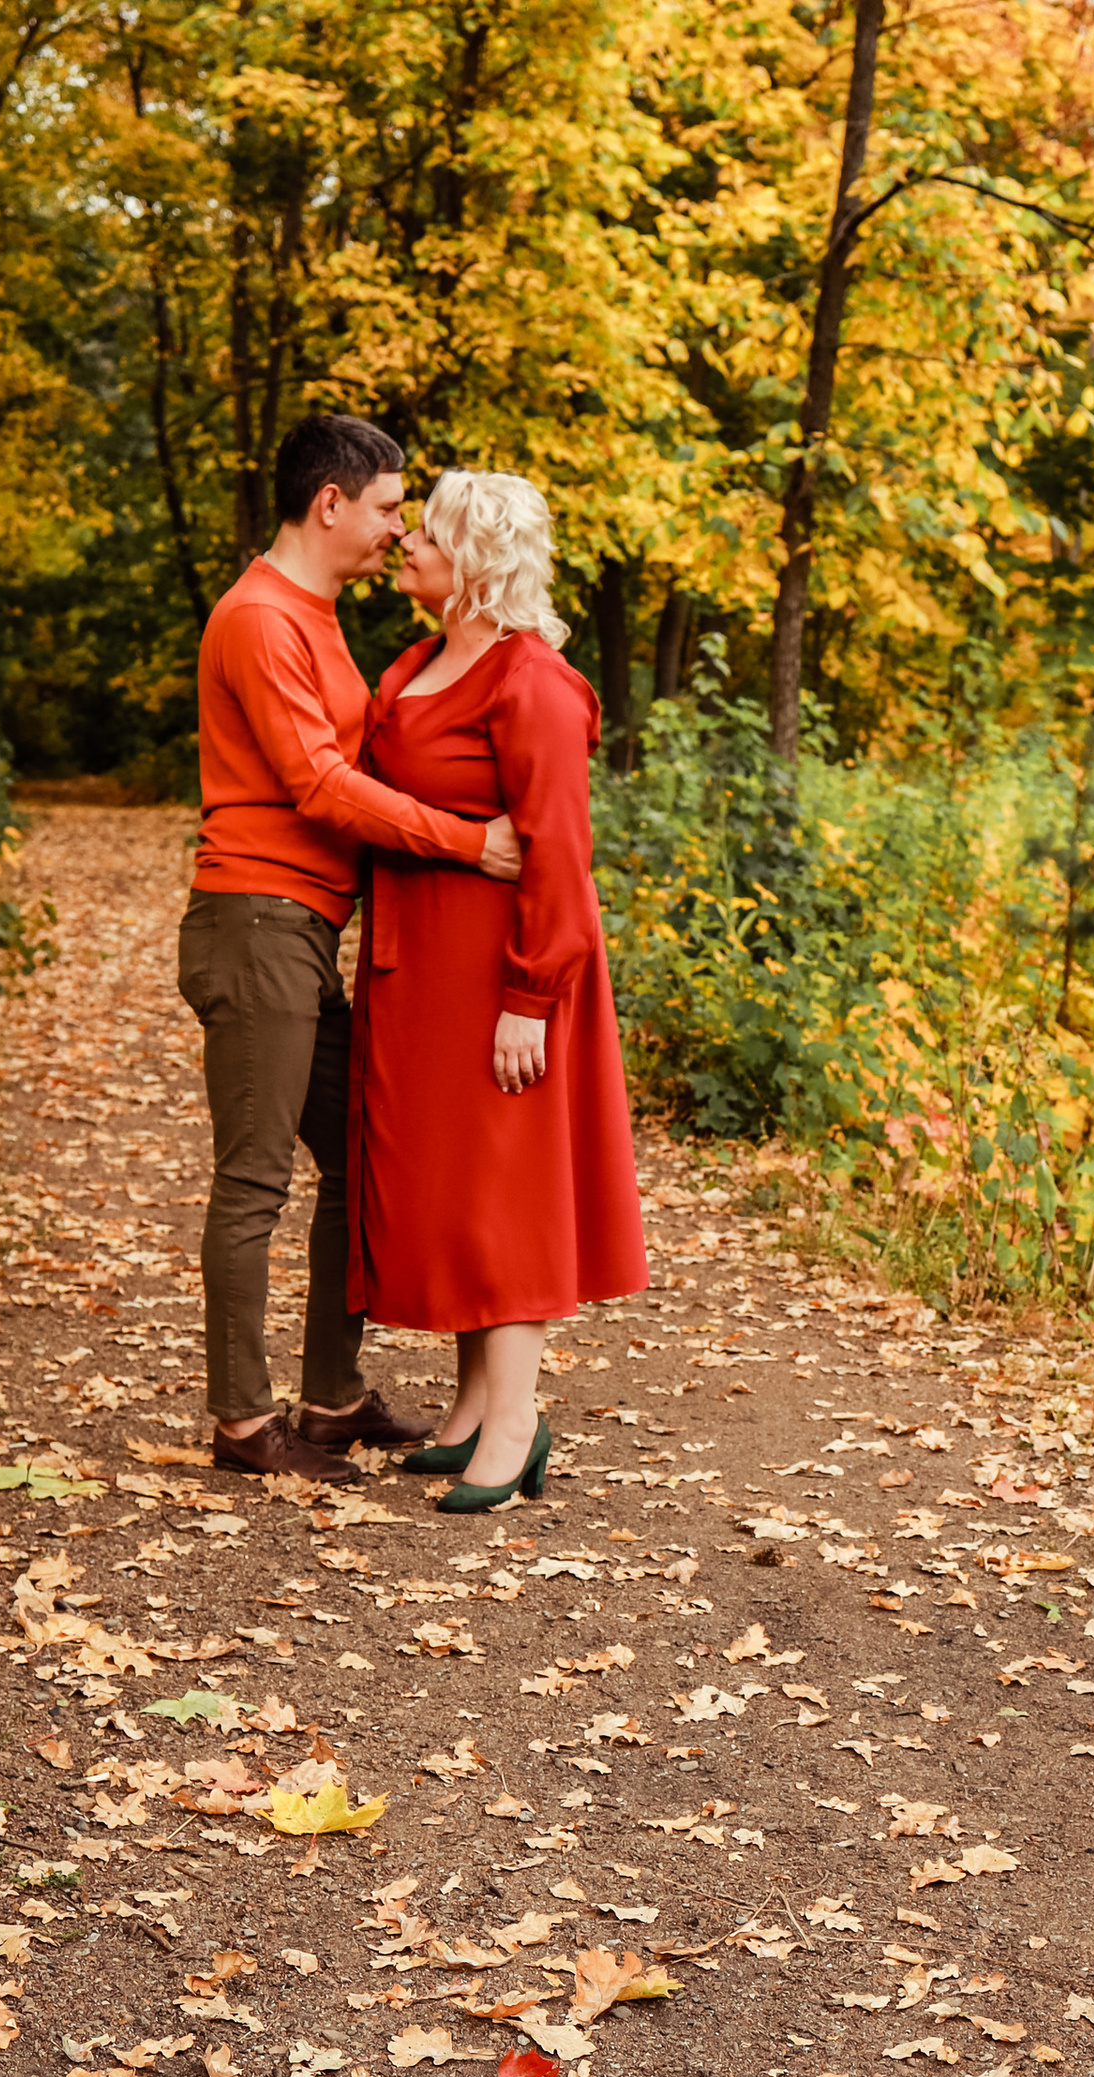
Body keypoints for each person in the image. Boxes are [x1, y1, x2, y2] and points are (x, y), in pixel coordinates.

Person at [182, 412, 527, 1483]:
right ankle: (244, 1424)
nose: (394, 530)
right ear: (328, 503)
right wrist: (472, 843)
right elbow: (319, 786)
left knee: (360, 1159)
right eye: (385, 509)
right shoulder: (258, 620)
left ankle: (331, 1395)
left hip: (303, 930)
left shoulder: (317, 616)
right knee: (253, 1183)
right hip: (255, 920)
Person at [347, 468, 648, 1512]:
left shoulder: (532, 682)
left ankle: (517, 1423)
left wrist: (530, 995)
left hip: (501, 972)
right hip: (423, 967)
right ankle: (474, 1405)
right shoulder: (422, 659)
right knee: (456, 1189)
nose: (407, 547)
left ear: (473, 559)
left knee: (504, 1192)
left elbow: (560, 854)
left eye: (427, 533)